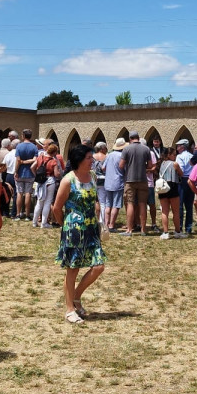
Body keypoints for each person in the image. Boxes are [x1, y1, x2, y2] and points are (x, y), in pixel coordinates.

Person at [51, 144, 105, 324]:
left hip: (91, 228)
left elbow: (95, 199)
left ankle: (75, 296)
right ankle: (69, 309)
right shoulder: (68, 180)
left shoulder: (93, 177)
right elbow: (57, 208)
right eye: (89, 158)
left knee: (98, 266)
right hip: (73, 230)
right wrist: (65, 224)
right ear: (79, 160)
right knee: (72, 269)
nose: (93, 160)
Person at [120, 130, 152, 236]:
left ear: (130, 139)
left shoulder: (126, 149)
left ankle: (129, 229)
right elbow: (150, 165)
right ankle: (143, 229)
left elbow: (121, 165)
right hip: (143, 179)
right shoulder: (146, 149)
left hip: (130, 179)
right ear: (138, 137)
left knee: (130, 203)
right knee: (142, 203)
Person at [32, 143, 63, 229]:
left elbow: (32, 167)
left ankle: (34, 222)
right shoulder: (53, 161)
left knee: (39, 202)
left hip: (40, 182)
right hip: (49, 181)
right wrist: (60, 173)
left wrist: (37, 176)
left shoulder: (40, 157)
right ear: (54, 152)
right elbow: (57, 174)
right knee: (47, 202)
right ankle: (44, 223)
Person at [13, 131, 38, 222]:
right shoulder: (34, 147)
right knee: (28, 193)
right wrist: (27, 161)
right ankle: (27, 215)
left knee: (19, 193)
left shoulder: (19, 146)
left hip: (20, 172)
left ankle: (18, 214)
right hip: (30, 173)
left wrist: (16, 171)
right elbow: (35, 160)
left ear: (23, 136)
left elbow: (18, 161)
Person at [156, 146, 181, 239]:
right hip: (173, 187)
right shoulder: (175, 164)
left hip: (163, 187)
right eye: (174, 154)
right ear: (169, 155)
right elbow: (181, 174)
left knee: (164, 211)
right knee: (176, 212)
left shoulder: (161, 163)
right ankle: (177, 231)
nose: (175, 156)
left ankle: (165, 232)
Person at [102, 138, 126, 231]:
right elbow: (124, 168)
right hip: (118, 182)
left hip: (108, 182)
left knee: (108, 204)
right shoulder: (122, 156)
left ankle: (106, 224)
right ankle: (111, 225)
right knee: (116, 205)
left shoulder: (109, 155)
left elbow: (103, 168)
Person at [174, 139, 195, 236]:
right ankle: (189, 227)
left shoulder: (179, 157)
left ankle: (180, 227)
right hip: (191, 180)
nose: (177, 148)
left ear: (182, 147)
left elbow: (180, 170)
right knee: (189, 205)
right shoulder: (192, 156)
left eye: (178, 146)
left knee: (180, 205)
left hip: (182, 180)